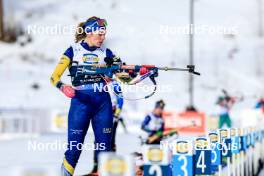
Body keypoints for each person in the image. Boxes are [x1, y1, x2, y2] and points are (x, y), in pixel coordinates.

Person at [50, 16, 131, 176]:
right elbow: (54, 77)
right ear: (89, 32)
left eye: (104, 34)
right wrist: (63, 87)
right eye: (100, 34)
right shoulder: (73, 50)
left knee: (104, 150)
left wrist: (139, 73)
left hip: (103, 104)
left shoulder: (107, 53)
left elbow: (126, 78)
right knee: (74, 148)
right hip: (81, 103)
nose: (103, 37)